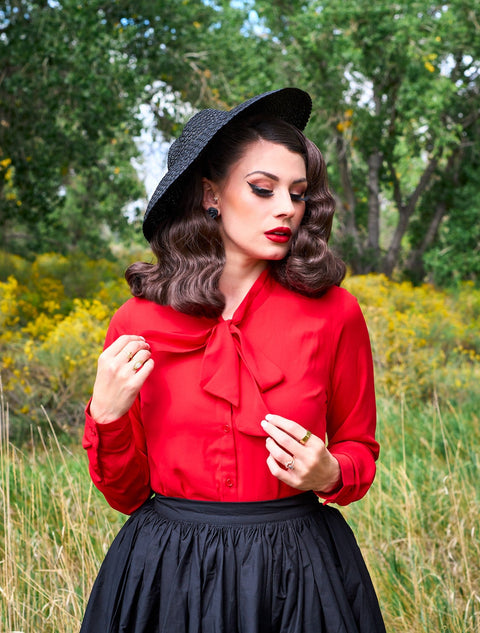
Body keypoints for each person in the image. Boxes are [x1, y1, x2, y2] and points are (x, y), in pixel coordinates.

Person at [80, 87, 386, 633]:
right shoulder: (136, 322)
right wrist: (105, 415)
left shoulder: (335, 313)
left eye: (298, 194)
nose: (286, 208)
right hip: (168, 573)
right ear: (210, 194)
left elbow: (358, 448)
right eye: (263, 189)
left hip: (297, 573)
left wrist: (330, 472)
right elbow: (125, 495)